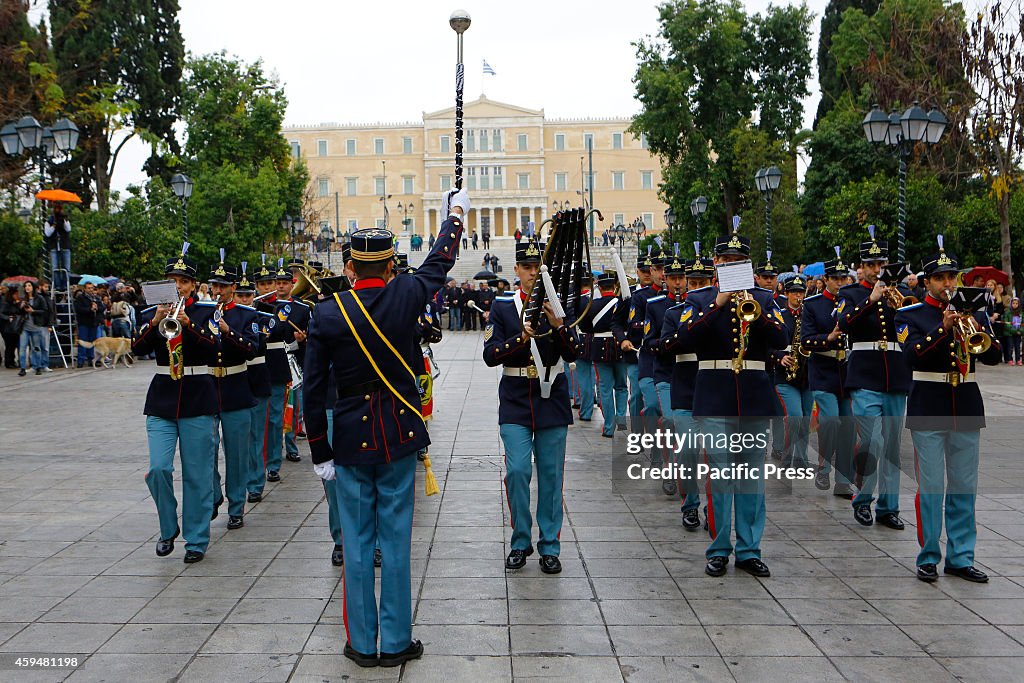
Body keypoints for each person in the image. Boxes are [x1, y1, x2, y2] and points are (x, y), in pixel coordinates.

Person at [303, 190, 467, 668]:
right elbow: (440, 260)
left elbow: (313, 391)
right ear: (391, 266)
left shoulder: (328, 312)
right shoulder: (407, 294)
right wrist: (454, 215)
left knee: (356, 543)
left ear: (350, 267)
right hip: (397, 435)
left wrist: (320, 452)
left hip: (350, 439)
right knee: (396, 541)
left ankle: (361, 643)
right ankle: (395, 642)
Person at [895, 238, 1002, 582]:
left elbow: (994, 356)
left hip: (966, 404)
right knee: (931, 488)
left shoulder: (975, 313)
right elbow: (910, 356)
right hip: (929, 403)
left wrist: (980, 327)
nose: (948, 284)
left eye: (952, 277)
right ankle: (928, 556)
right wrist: (943, 329)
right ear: (927, 282)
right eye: (940, 278)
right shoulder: (910, 313)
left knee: (964, 487)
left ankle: (960, 557)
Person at [684, 222, 787, 578]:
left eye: (738, 260)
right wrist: (717, 303)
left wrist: (755, 307)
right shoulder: (698, 299)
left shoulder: (764, 298)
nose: (731, 264)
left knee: (752, 478)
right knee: (721, 475)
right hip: (715, 395)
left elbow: (781, 336)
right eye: (726, 259)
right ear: (715, 263)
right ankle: (718, 548)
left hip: (755, 396)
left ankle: (749, 548)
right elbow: (685, 340)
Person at [484, 232, 580, 575]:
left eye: (537, 265)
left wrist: (560, 325)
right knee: (517, 470)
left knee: (551, 476)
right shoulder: (503, 306)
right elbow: (490, 355)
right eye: (526, 266)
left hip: (551, 396)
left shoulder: (559, 303)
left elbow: (575, 352)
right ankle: (520, 540)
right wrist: (520, 337)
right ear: (516, 269)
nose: (532, 271)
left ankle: (550, 545)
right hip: (515, 400)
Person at [132, 244, 220, 564]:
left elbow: (215, 350)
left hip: (198, 396)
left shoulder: (206, 312)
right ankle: (168, 526)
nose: (178, 286)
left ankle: (196, 539)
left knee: (197, 474)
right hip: (162, 400)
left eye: (183, 281)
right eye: (173, 280)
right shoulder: (153, 314)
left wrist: (189, 324)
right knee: (158, 468)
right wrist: (156, 324)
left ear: (193, 285)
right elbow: (136, 348)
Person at [837, 226, 910, 530]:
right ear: (861, 266)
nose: (877, 270)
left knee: (892, 445)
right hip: (865, 374)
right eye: (871, 265)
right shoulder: (849, 293)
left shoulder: (899, 295)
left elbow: (907, 333)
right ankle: (863, 499)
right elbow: (842, 322)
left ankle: (889, 507)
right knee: (873, 441)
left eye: (881, 265)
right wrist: (870, 300)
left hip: (894, 373)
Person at [659, 250, 714, 530]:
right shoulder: (673, 313)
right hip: (685, 387)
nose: (695, 288)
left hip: (714, 387)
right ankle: (690, 504)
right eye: (692, 283)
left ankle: (713, 509)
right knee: (689, 451)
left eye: (701, 283)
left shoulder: (722, 311)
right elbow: (667, 345)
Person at [207, 254, 259, 531]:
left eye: (223, 286)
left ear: (233, 287)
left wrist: (228, 332)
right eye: (215, 285)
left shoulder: (247, 314)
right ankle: (213, 495)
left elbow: (253, 348)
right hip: (206, 389)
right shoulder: (203, 311)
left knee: (237, 453)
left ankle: (236, 505)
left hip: (236, 387)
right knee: (206, 449)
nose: (218, 291)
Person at [800, 250, 856, 496]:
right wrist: (828, 338)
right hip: (823, 369)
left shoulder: (855, 303)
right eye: (837, 279)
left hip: (847, 370)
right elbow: (806, 341)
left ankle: (843, 480)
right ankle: (823, 466)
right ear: (827, 280)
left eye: (845, 279)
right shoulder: (813, 305)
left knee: (848, 425)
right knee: (831, 419)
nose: (841, 283)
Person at [644, 251, 689, 496]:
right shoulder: (656, 306)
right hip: (666, 372)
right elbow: (649, 341)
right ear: (666, 280)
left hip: (692, 374)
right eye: (673, 278)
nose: (678, 282)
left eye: (682, 277)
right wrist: (669, 343)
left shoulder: (697, 303)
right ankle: (671, 471)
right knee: (671, 422)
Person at [769, 275, 814, 468]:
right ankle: (787, 454)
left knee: (805, 418)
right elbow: (766, 345)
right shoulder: (779, 315)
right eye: (794, 292)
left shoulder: (808, 315)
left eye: (801, 292)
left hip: (807, 373)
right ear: (786, 293)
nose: (798, 296)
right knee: (794, 416)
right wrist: (780, 357)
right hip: (785, 374)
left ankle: (801, 458)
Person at [270, 260, 311, 472]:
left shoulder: (302, 309)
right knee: (276, 412)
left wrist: (302, 339)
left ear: (292, 283)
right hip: (275, 362)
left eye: (285, 282)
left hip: (294, 360)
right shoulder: (268, 307)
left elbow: (310, 335)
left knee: (294, 408)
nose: (280, 286)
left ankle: (292, 446)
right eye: (277, 282)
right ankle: (274, 452)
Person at [577, 272, 625, 436]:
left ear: (599, 287)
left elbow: (584, 327)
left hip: (599, 348)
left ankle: (609, 426)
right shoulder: (621, 303)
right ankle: (621, 419)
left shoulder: (592, 304)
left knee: (605, 388)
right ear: (614, 287)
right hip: (620, 345)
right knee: (621, 386)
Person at [612, 253, 654, 430]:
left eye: (649, 271)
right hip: (635, 352)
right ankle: (637, 434)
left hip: (657, 351)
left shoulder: (663, 294)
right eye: (643, 271)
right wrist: (623, 339)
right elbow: (616, 322)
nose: (646, 274)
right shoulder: (629, 294)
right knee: (636, 394)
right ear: (637, 271)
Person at [245, 260, 275, 503]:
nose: (245, 299)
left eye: (248, 295)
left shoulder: (264, 314)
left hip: (257, 375)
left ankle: (255, 482)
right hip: (230, 381)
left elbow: (261, 342)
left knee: (257, 434)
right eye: (240, 295)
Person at [17, 281, 48, 376]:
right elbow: (18, 312)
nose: (27, 287)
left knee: (36, 348)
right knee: (22, 348)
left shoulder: (39, 298)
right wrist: (21, 307)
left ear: (33, 287)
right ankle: (22, 368)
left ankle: (38, 367)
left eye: (29, 285)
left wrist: (33, 311)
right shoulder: (23, 298)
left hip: (36, 326)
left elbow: (44, 310)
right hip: (25, 327)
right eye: (26, 286)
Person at [74, 282, 104, 368]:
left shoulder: (96, 298)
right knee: (83, 341)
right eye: (88, 288)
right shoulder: (80, 298)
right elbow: (79, 309)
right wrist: (90, 309)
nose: (90, 290)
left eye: (92, 288)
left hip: (93, 323)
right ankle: (81, 360)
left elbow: (102, 308)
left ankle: (91, 359)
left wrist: (97, 308)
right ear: (85, 289)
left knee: (92, 342)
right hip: (84, 323)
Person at [44, 203, 72, 292]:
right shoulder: (49, 221)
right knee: (55, 268)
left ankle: (65, 285)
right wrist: (54, 225)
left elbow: (68, 229)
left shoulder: (64, 219)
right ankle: (58, 286)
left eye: (60, 209)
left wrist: (63, 221)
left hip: (65, 246)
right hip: (54, 247)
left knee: (66, 268)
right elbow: (47, 233)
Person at [1002, 296, 1022, 365]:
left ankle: (1018, 359)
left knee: (1018, 347)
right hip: (1009, 333)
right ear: (1011, 304)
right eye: (1013, 303)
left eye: (1016, 303)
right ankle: (1010, 359)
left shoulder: (1021, 313)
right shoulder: (1008, 312)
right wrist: (1014, 330)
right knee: (1010, 347)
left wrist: (1020, 331)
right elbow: (1006, 324)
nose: (1015, 305)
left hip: (1018, 333)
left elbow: (1022, 324)